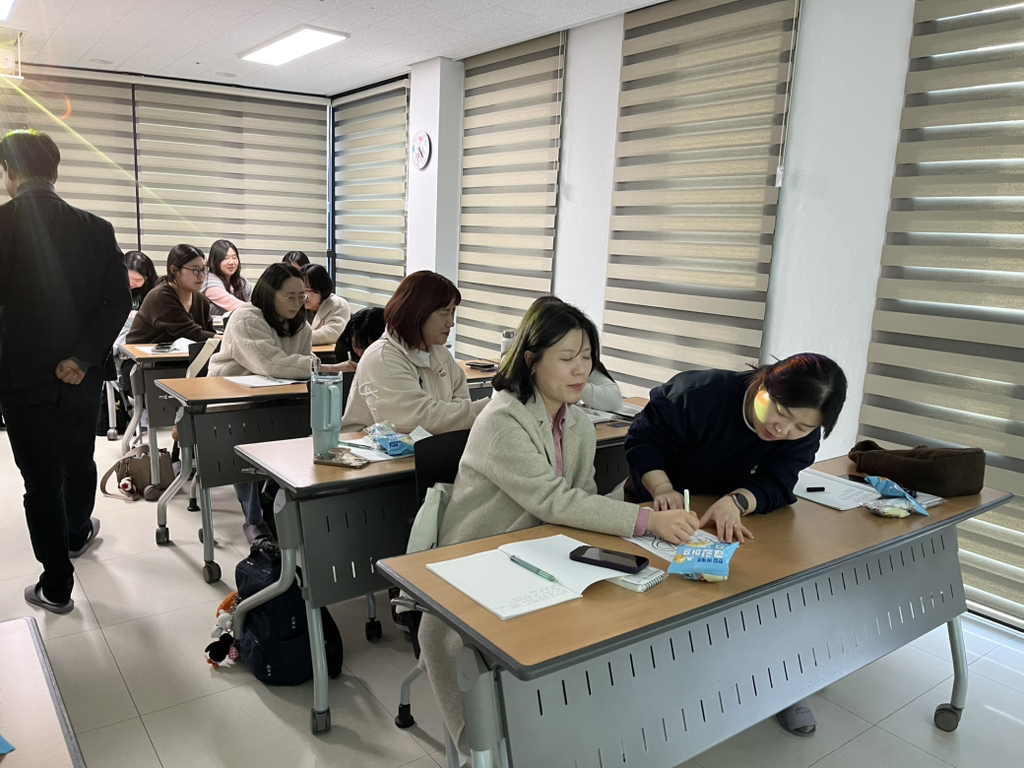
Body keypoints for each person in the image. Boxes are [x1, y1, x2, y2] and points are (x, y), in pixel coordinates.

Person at [418, 296, 700, 751]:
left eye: (587, 357)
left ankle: (580, 724)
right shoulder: (502, 418)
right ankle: (495, 744)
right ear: (532, 360)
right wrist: (646, 520)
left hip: (545, 551)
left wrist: (633, 494)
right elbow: (553, 501)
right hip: (485, 556)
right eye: (567, 358)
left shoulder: (579, 424)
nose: (580, 370)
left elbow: (580, 500)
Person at [624, 352, 848, 736]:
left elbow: (780, 479)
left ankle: (784, 682)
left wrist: (738, 501)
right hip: (660, 507)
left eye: (802, 426)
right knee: (664, 600)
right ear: (763, 384)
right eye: (780, 412)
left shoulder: (800, 433)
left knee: (765, 585)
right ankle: (657, 693)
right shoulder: (697, 394)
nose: (782, 429)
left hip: (726, 516)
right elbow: (642, 441)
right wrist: (662, 489)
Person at [0, 129, 132, 614]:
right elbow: (118, 300)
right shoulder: (96, 228)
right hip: (81, 377)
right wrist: (81, 357)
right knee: (78, 459)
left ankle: (56, 586)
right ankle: (77, 532)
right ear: (55, 172)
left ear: (9, 173)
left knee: (40, 482)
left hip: (19, 378)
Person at [208, 263, 318, 542]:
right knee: (245, 445)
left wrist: (312, 367)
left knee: (306, 436)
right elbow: (272, 363)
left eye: (301, 296)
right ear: (270, 294)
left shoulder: (302, 326)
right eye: (289, 296)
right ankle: (254, 519)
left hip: (277, 400)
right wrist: (320, 366)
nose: (297, 303)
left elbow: (299, 366)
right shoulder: (245, 318)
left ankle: (274, 500)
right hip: (233, 401)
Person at [342, 271, 488, 433]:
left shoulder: (439, 352)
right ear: (417, 313)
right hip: (368, 446)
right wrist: (488, 408)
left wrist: (452, 417)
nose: (451, 322)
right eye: (445, 313)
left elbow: (460, 403)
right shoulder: (382, 357)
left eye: (453, 312)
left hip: (428, 444)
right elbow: (416, 419)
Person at [126, 244, 215, 344]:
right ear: (174, 270)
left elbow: (209, 332)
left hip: (178, 353)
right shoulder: (161, 296)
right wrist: (223, 339)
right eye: (195, 270)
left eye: (203, 269)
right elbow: (188, 331)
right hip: (141, 352)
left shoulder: (201, 299)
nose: (201, 275)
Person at [116, 250, 159, 391]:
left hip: (148, 341)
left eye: (138, 280)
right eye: (128, 278)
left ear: (147, 278)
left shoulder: (155, 291)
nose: (131, 283)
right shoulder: (115, 289)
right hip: (123, 339)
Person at [302, 263, 350, 345]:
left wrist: (298, 339)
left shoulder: (338, 305)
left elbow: (333, 333)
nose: (304, 295)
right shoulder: (295, 304)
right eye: (301, 291)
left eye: (309, 290)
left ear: (322, 288)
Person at [202, 238, 252, 316]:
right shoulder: (208, 280)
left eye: (234, 257)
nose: (231, 262)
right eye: (226, 258)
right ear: (215, 260)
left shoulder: (241, 279)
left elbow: (254, 299)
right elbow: (233, 304)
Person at [333, 307, 385, 373]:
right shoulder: (344, 346)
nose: (360, 353)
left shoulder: (391, 357)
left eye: (366, 347)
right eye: (355, 345)